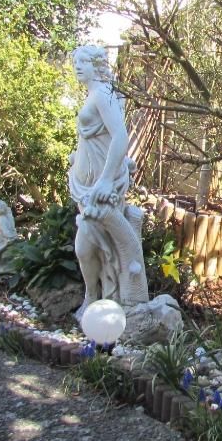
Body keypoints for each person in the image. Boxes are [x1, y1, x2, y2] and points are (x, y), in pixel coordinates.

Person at [68, 45, 148, 318]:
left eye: (83, 62)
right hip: (85, 186)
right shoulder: (94, 93)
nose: (77, 66)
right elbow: (95, 138)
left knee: (85, 246)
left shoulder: (103, 94)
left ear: (96, 65)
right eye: (75, 62)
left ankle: (98, 298)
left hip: (100, 188)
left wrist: (104, 181)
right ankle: (96, 299)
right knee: (93, 247)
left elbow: (120, 137)